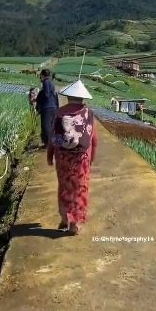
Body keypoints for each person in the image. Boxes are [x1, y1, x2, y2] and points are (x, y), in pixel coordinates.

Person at [47, 79, 98, 235]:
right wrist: (91, 158)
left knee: (64, 186)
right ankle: (75, 222)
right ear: (83, 98)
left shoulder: (59, 113)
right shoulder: (88, 113)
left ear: (68, 97)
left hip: (62, 157)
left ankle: (64, 218)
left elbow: (52, 137)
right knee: (79, 188)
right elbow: (93, 140)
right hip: (81, 159)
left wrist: (50, 155)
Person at [36, 69, 59, 148]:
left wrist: (38, 96)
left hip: (47, 107)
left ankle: (50, 145)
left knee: (46, 127)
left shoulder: (46, 82)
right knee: (51, 126)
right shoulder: (52, 83)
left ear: (42, 75)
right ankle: (48, 144)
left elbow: (46, 94)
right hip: (53, 107)